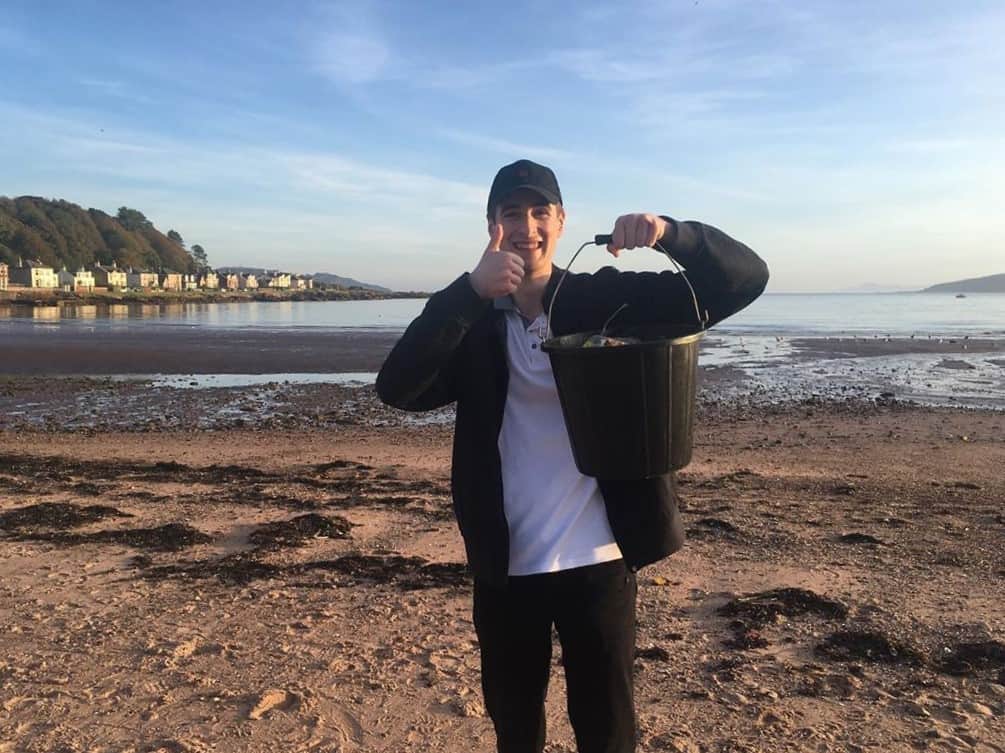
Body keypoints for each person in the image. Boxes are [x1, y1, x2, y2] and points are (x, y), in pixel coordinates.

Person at [376, 159, 768, 753]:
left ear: (560, 222)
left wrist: (671, 233)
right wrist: (468, 292)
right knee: (516, 730)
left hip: (601, 555)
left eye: (540, 212)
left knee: (608, 730)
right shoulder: (473, 320)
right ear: (492, 226)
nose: (527, 225)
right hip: (505, 566)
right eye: (512, 213)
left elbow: (743, 280)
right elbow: (398, 388)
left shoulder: (603, 299)